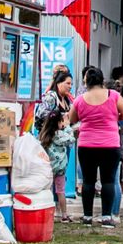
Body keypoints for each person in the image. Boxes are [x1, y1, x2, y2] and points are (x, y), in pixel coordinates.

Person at [71, 66, 123, 226]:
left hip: (86, 144)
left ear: (86, 82)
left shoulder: (80, 99)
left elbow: (72, 118)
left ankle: (87, 217)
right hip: (110, 144)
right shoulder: (113, 95)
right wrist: (114, 117)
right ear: (102, 79)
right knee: (108, 181)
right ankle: (106, 217)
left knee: (88, 181)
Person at [38, 81, 76, 221]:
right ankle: (64, 214)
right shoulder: (59, 135)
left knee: (47, 191)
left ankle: (47, 213)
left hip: (47, 169)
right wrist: (67, 126)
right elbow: (71, 139)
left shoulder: (44, 135)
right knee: (60, 191)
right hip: (59, 169)